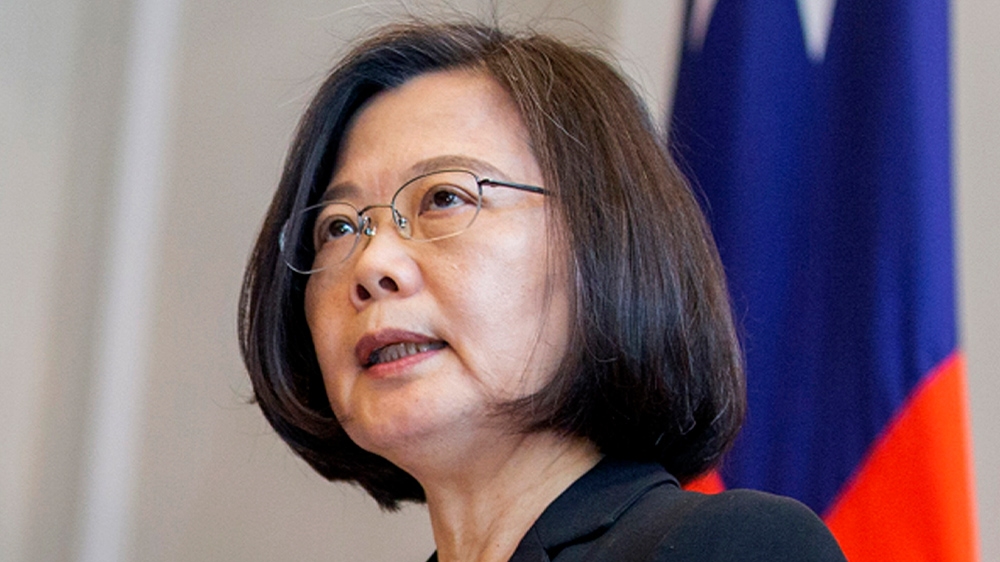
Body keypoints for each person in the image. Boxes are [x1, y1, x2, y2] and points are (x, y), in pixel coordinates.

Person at [239, 20, 848, 562]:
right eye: (339, 228)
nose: (372, 263)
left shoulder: (732, 548)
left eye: (444, 198)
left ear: (601, 246)